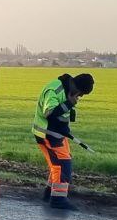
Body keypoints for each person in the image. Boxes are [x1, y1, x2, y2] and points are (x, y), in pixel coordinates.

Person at [32, 72, 94, 211]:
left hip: (58, 134)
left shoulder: (67, 89)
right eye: (80, 94)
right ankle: (58, 200)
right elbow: (50, 112)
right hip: (47, 134)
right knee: (62, 164)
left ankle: (49, 193)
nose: (79, 97)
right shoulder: (55, 90)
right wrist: (69, 103)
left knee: (59, 163)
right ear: (76, 88)